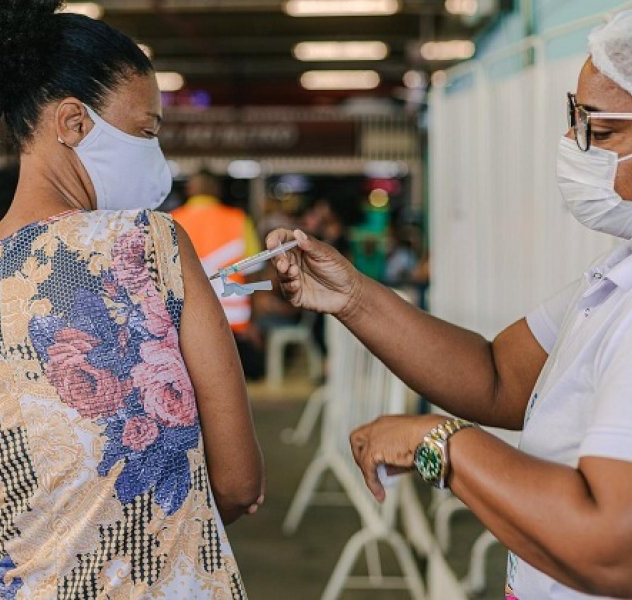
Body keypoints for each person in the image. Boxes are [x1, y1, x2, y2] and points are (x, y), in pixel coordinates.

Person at [268, 11, 632, 600]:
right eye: (574, 120)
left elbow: (614, 548)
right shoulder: (617, 274)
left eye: (601, 131)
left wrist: (439, 442)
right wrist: (352, 296)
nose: (574, 146)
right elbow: (497, 376)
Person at [0, 1, 263, 598]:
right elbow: (238, 481)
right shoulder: (149, 245)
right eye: (146, 131)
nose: (156, 156)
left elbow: (8, 502)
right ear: (73, 122)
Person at [172, 170, 265, 379]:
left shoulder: (171, 221)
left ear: (190, 189)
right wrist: (254, 323)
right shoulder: (238, 220)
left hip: (188, 323)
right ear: (217, 190)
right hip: (234, 322)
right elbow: (252, 275)